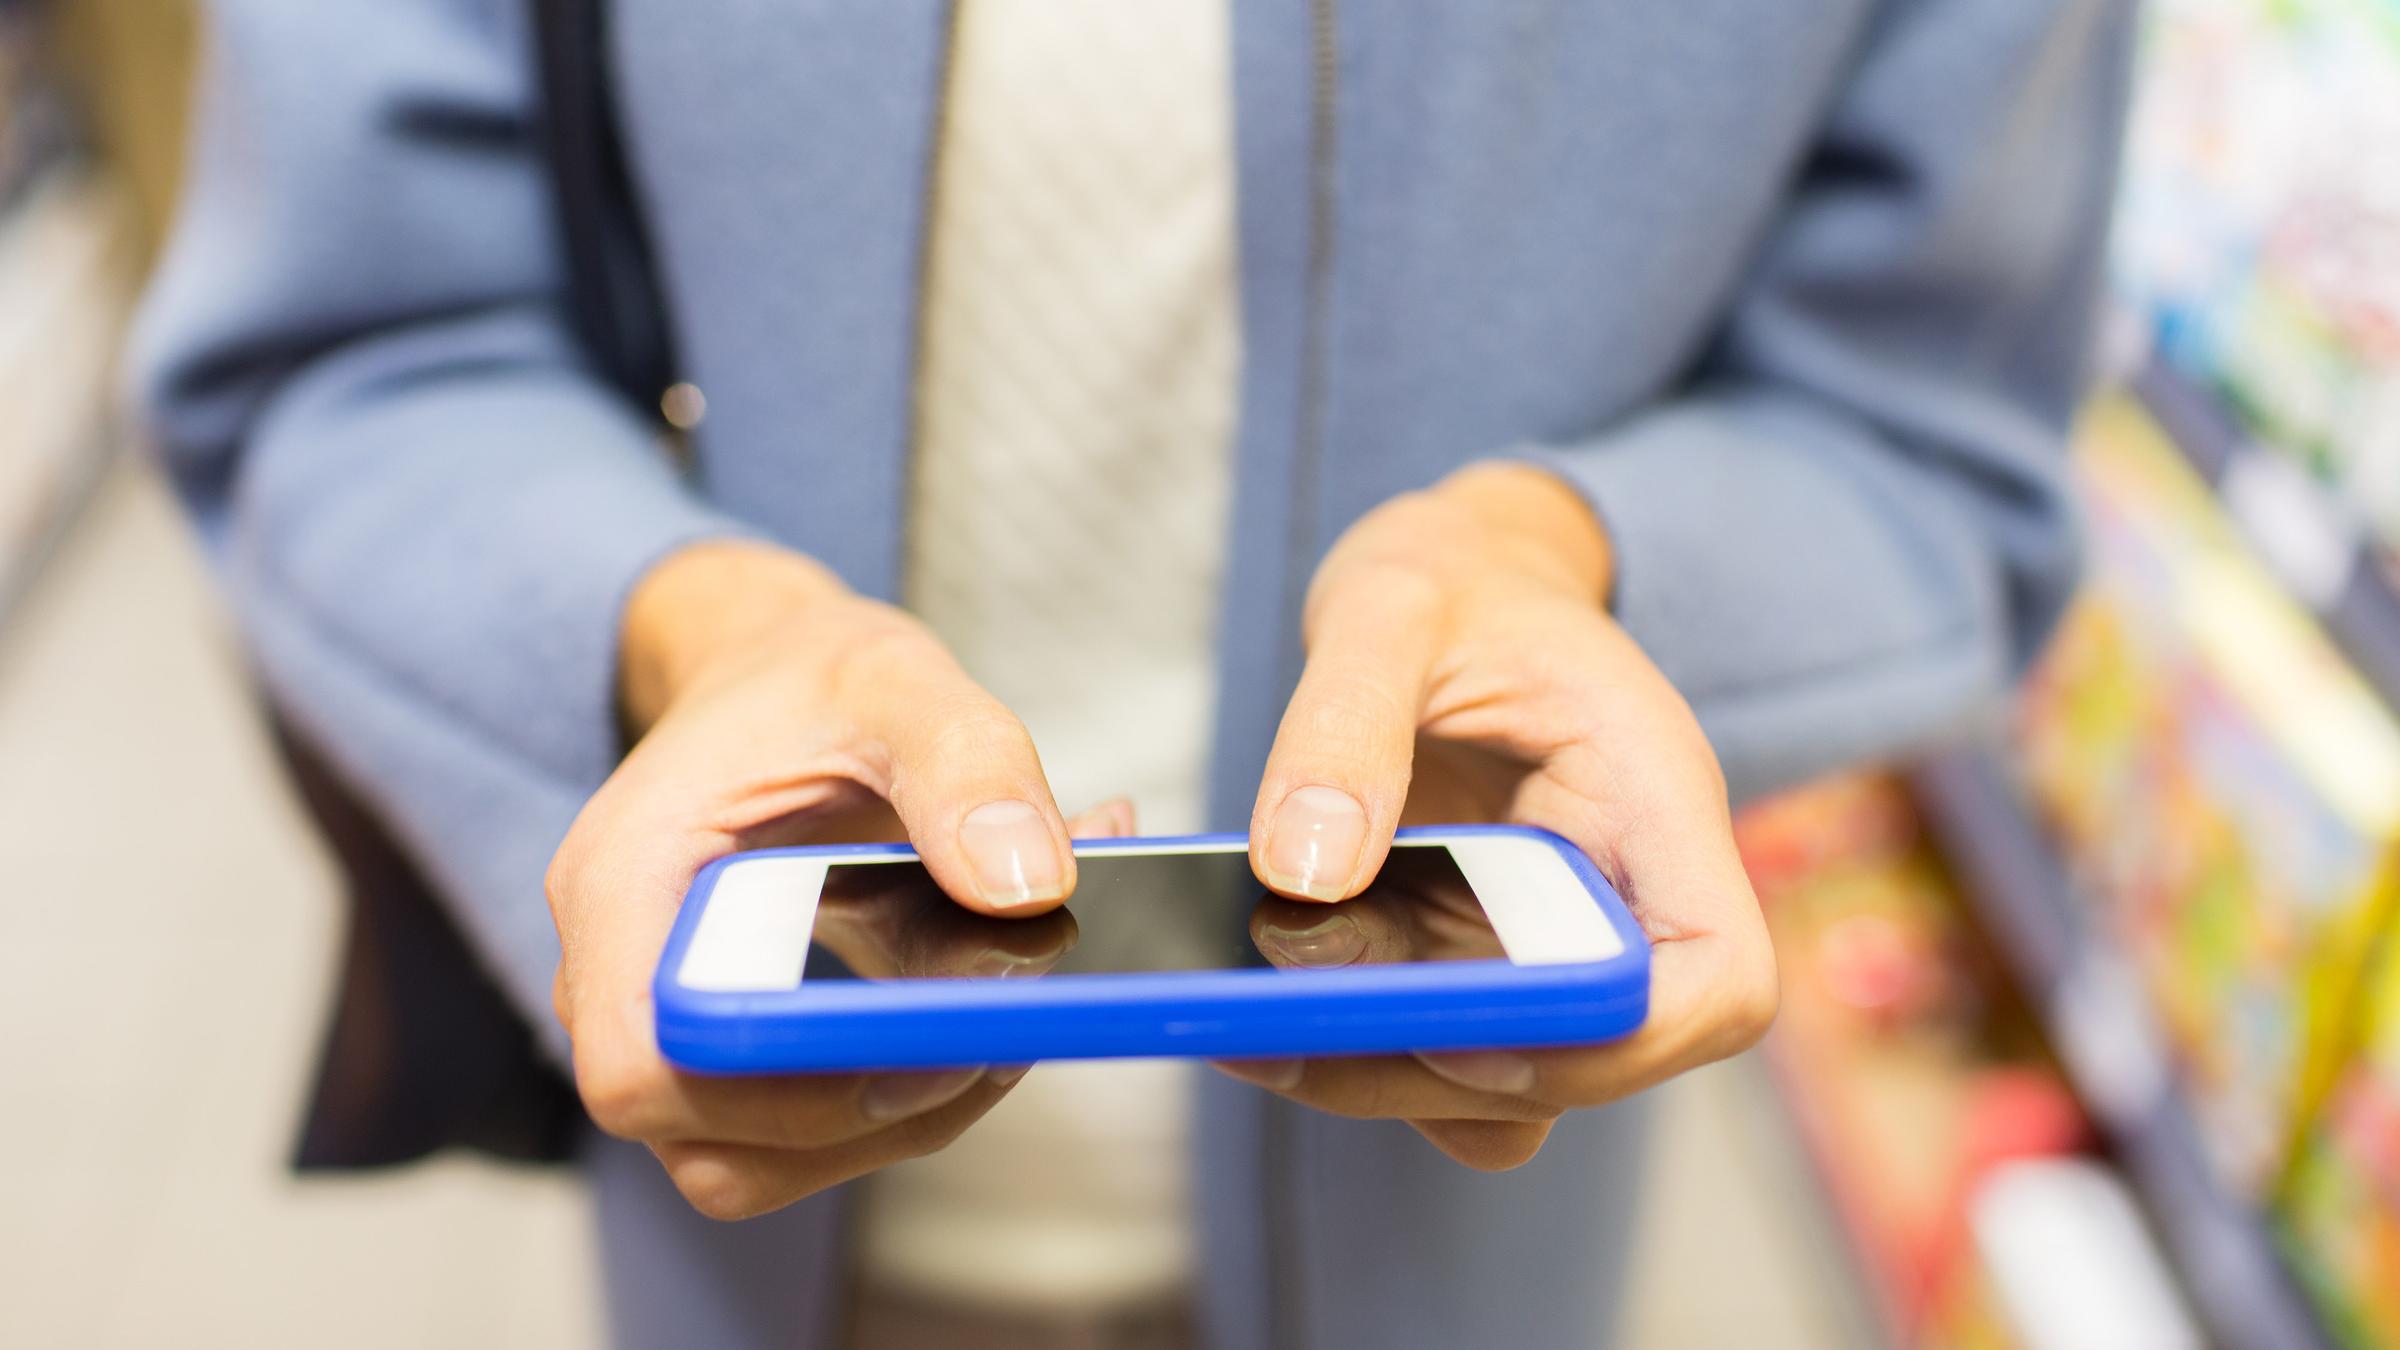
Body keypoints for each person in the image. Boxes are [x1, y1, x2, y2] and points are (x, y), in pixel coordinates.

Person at [131, 1, 2135, 1346]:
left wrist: (1566, 558)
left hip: (1454, 1262)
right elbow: (355, 348)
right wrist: (690, 622)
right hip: (757, 1276)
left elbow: (1926, 424)